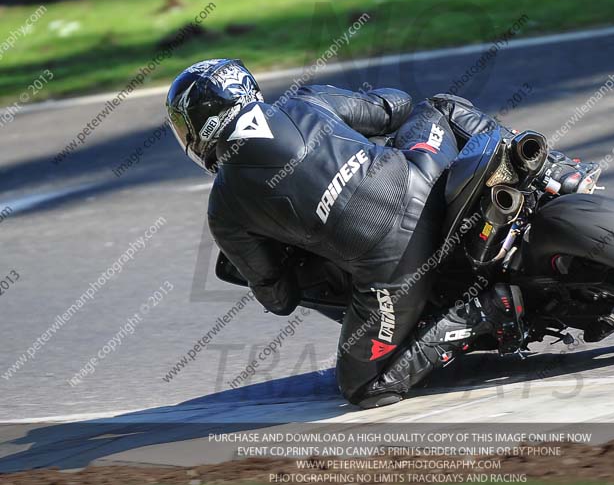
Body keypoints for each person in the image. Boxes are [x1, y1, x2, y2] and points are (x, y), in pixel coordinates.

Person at [166, 59, 581, 408]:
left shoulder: (224, 209)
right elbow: (393, 107)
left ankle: (484, 312)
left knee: (363, 386)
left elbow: (278, 298)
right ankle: (554, 170)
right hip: (425, 177)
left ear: (197, 131)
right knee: (439, 107)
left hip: (394, 265)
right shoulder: (304, 101)